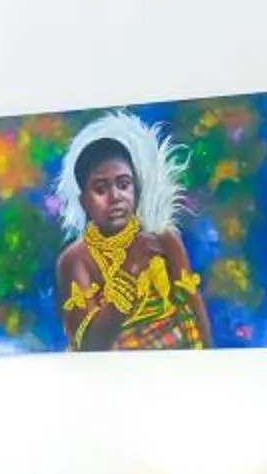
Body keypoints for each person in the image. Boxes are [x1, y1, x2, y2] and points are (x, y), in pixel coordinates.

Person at [52, 112, 213, 351]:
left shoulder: (163, 238)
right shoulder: (75, 260)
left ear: (136, 190)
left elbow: (194, 308)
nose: (115, 197)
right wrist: (130, 269)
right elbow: (89, 347)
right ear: (84, 201)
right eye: (100, 188)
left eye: (124, 184)